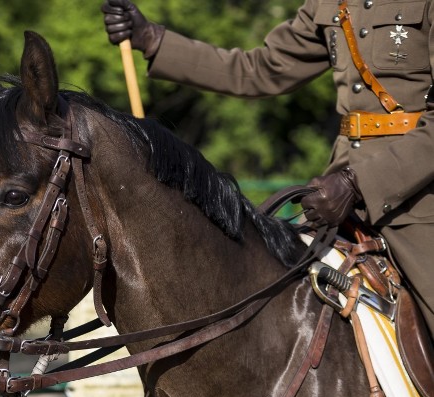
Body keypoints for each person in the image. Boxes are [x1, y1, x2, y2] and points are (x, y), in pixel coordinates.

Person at [101, 0, 434, 338]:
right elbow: (259, 70)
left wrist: (358, 184)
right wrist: (153, 39)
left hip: (416, 199)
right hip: (335, 197)